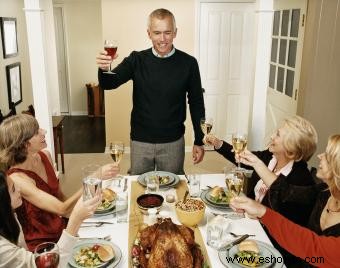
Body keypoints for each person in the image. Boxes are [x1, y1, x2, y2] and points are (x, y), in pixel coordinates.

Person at [96, 8, 205, 175]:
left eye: (167, 32)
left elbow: (196, 102)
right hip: (140, 141)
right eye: (157, 33)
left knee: (172, 191)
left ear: (175, 32)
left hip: (173, 141)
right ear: (149, 34)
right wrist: (104, 69)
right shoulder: (136, 59)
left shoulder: (189, 63)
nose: (162, 39)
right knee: (138, 190)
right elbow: (109, 83)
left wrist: (199, 139)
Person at [206, 116, 318, 266]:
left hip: (271, 246)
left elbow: (281, 208)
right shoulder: (271, 158)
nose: (272, 136)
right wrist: (218, 143)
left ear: (291, 150)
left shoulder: (302, 180)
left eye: (278, 134)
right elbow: (247, 158)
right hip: (251, 224)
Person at [0, 114, 119, 251]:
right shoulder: (17, 179)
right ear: (24, 145)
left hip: (62, 227)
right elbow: (61, 208)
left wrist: (81, 216)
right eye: (37, 131)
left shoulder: (45, 155)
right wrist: (93, 178)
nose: (44, 132)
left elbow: (61, 197)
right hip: (43, 244)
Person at [0, 170, 101, 268]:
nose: (19, 189)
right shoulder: (2, 250)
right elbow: (44, 265)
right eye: (13, 189)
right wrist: (75, 220)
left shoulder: (10, 217)